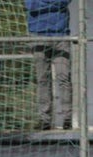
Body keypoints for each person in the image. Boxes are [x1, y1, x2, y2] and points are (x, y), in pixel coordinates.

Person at [26, 0, 72, 130]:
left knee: (64, 77)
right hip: (38, 34)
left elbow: (65, 2)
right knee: (42, 79)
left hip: (61, 35)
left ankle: (67, 119)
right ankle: (44, 119)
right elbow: (30, 5)